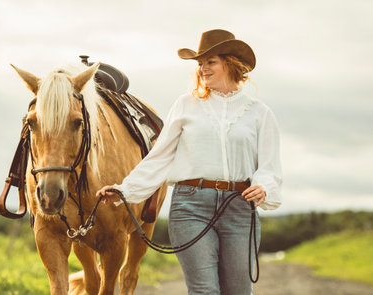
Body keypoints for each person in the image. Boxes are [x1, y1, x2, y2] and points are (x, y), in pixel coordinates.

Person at [96, 29, 282, 295]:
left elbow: (270, 166)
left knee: (239, 291)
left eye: (211, 62)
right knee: (204, 291)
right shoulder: (185, 105)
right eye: (200, 64)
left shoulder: (259, 113)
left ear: (230, 63)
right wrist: (125, 190)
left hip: (240, 208)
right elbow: (159, 157)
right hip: (191, 206)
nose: (203, 69)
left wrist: (264, 186)